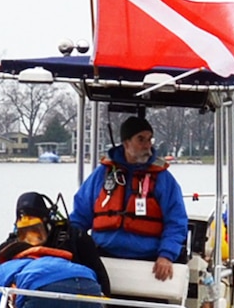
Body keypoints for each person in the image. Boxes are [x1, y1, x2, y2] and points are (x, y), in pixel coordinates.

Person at [71, 114, 188, 282]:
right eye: (141, 139)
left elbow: (176, 221)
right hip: (103, 258)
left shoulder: (163, 179)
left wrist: (166, 255)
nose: (147, 145)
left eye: (149, 139)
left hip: (149, 263)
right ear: (126, 143)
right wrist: (72, 244)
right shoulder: (102, 174)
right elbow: (80, 216)